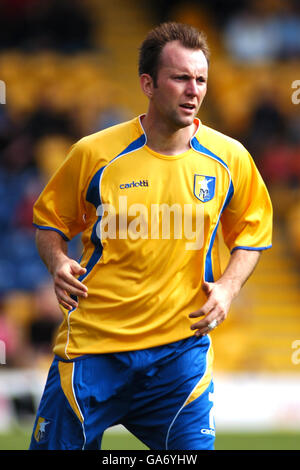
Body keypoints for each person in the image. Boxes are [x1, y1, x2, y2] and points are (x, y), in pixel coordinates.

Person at [29, 22, 272, 450]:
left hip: (179, 355)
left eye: (200, 80)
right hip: (93, 350)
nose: (193, 90)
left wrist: (230, 287)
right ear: (148, 83)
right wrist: (57, 261)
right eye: (180, 77)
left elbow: (254, 230)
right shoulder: (95, 153)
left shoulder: (230, 158)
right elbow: (50, 221)